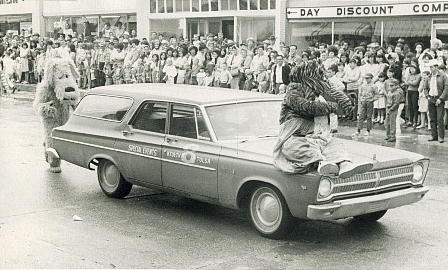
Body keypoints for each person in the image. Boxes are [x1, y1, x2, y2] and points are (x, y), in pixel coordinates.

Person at [423, 59, 448, 143]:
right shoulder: (429, 76)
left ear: (436, 67)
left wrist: (441, 99)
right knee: (432, 118)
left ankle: (441, 136)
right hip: (431, 98)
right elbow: (425, 87)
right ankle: (434, 136)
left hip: (439, 98)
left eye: (432, 67)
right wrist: (427, 96)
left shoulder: (443, 76)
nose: (431, 69)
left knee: (440, 118)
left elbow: (446, 88)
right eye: (430, 67)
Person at [404, 64, 421, 128]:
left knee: (415, 106)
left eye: (413, 68)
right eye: (410, 69)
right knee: (410, 106)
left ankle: (415, 121)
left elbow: (415, 83)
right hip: (409, 91)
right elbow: (406, 82)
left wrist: (409, 82)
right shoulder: (409, 75)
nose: (412, 70)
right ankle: (410, 120)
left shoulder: (418, 75)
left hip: (415, 91)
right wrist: (410, 82)